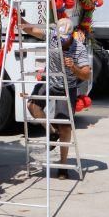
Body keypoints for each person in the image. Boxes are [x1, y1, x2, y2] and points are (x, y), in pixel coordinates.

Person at [21, 17, 91, 179]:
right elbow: (31, 29)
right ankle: (52, 133)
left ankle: (63, 166)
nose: (61, 43)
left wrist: (73, 67)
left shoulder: (78, 48)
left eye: (64, 40)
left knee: (65, 126)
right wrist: (17, 15)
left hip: (67, 87)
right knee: (32, 105)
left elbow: (87, 74)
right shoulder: (52, 35)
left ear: (71, 36)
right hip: (49, 80)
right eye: (59, 39)